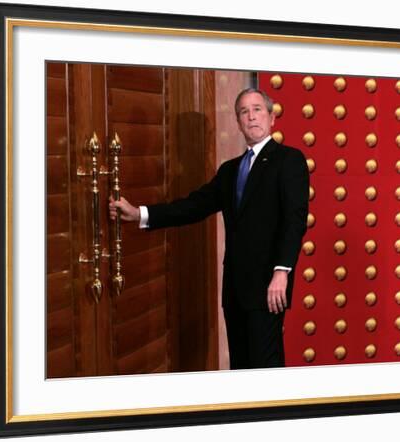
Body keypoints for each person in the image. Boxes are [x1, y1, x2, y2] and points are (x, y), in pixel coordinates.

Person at [109, 87, 309, 369]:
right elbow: (193, 206)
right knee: (240, 368)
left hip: (268, 287)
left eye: (257, 110)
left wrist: (281, 272)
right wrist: (140, 213)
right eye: (243, 112)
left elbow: (294, 219)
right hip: (234, 290)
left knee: (266, 369)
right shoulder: (230, 170)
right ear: (238, 123)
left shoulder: (289, 160)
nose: (251, 117)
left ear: (272, 118)